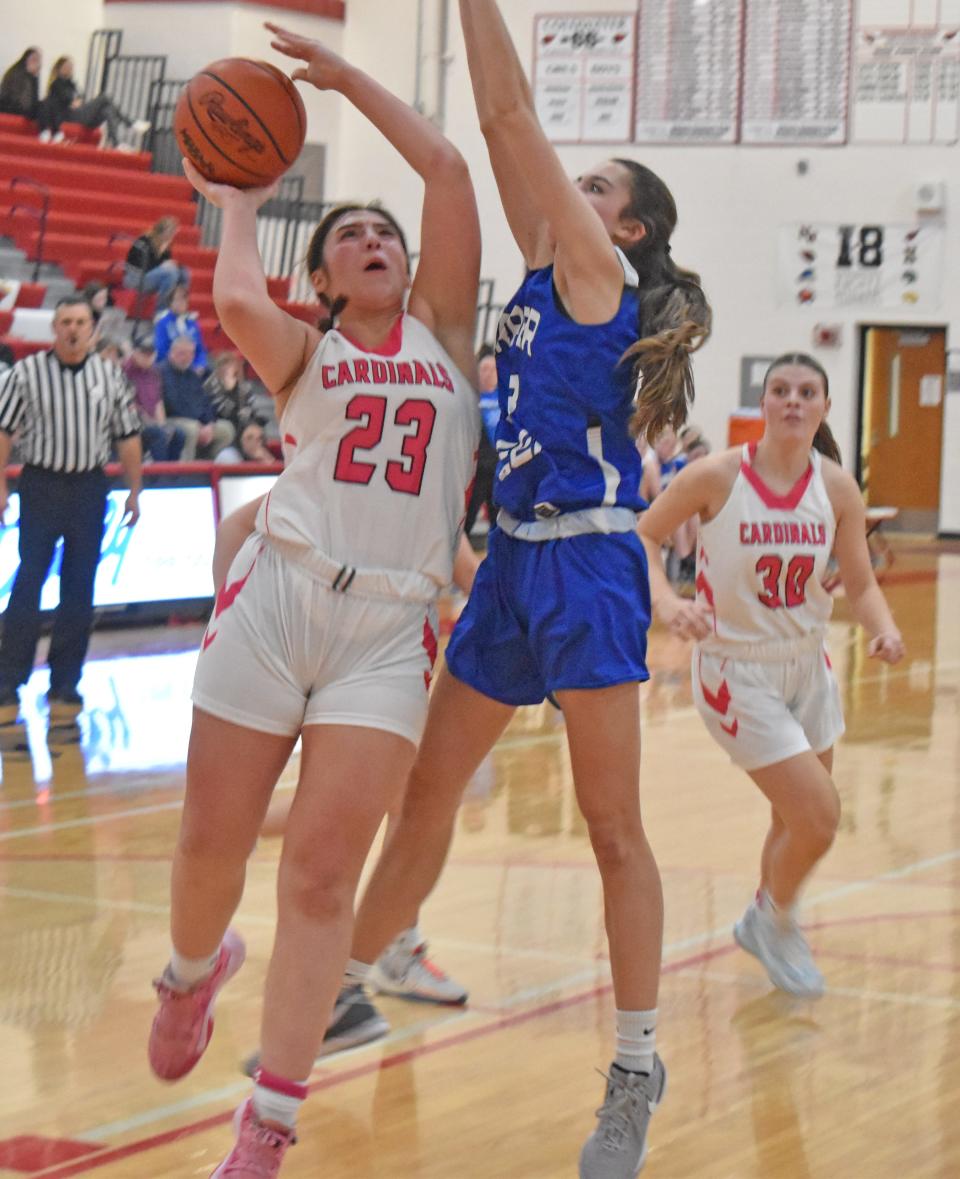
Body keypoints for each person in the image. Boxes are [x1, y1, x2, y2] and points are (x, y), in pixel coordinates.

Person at [320, 4, 712, 1177]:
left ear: (626, 224)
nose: (565, 184)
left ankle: (635, 1065)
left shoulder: (597, 275)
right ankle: (335, 985)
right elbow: (494, 133)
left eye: (593, 182)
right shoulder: (547, 268)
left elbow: (503, 112)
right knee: (427, 792)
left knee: (612, 828)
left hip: (588, 562)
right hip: (511, 560)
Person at [145, 20, 480, 1177]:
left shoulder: (446, 340)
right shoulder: (306, 355)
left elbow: (446, 168)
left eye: (385, 232)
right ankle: (192, 972)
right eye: (352, 235)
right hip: (281, 600)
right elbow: (237, 298)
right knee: (209, 845)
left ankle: (270, 1122)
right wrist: (238, 191)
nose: (378, 238)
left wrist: (343, 79)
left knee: (322, 875)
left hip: (389, 630)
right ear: (325, 279)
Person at [638, 353, 904, 999]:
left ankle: (773, 917)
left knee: (793, 820)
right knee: (819, 815)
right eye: (780, 389)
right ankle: (771, 917)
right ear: (764, 403)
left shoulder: (837, 486)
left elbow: (860, 580)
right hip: (737, 669)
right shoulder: (716, 475)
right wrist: (669, 604)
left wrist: (883, 627)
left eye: (806, 391)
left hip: (808, 663)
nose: (792, 400)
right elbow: (641, 538)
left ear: (824, 407)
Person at [0, 297, 142, 726]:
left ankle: (65, 681)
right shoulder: (25, 374)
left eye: (80, 322)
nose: (73, 329)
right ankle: (8, 678)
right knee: (29, 581)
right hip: (41, 483)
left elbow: (129, 436)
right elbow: (3, 431)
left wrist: (135, 491)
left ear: (92, 329)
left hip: (89, 487)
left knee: (80, 588)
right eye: (65, 322)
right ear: (54, 328)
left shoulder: (110, 375)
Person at [43, 56, 149, 149]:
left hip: (80, 113)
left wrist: (77, 101)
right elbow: (65, 99)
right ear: (59, 68)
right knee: (104, 97)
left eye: (71, 66)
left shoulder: (72, 84)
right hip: (71, 116)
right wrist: (73, 101)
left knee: (108, 110)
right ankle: (129, 122)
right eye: (66, 66)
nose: (69, 69)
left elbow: (79, 98)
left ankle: (116, 143)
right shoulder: (56, 84)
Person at [159, 335, 234, 459]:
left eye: (191, 354)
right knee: (192, 429)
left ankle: (209, 465)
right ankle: (186, 471)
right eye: (182, 354)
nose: (187, 358)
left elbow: (205, 401)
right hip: (171, 419)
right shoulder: (161, 373)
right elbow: (173, 404)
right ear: (172, 353)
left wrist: (209, 423)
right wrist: (199, 424)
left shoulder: (192, 375)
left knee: (227, 429)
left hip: (197, 421)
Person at [122, 336, 185, 462]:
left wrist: (162, 425)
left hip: (151, 422)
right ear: (135, 352)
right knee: (158, 434)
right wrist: (155, 425)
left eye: (151, 353)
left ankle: (174, 474)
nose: (148, 357)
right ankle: (160, 476)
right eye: (144, 353)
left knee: (178, 434)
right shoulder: (124, 371)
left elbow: (158, 402)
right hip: (131, 423)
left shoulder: (154, 373)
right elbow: (129, 405)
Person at [463, 343, 498, 540]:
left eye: (493, 369)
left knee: (499, 522)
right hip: (475, 469)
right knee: (466, 518)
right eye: (484, 369)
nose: (488, 374)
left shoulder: (506, 400)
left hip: (498, 470)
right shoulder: (470, 397)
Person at [124, 217, 189, 310]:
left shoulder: (166, 244)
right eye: (171, 232)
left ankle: (179, 307)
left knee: (184, 272)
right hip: (135, 278)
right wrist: (162, 265)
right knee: (171, 274)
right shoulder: (145, 241)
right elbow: (142, 265)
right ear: (164, 231)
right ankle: (161, 310)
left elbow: (165, 263)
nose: (173, 236)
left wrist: (173, 265)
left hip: (151, 276)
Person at [0, 48, 55, 137]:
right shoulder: (17, 73)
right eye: (34, 59)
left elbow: (33, 99)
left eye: (38, 60)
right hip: (12, 108)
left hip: (23, 107)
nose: (36, 63)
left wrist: (34, 77)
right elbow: (24, 101)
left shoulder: (31, 76)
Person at [154, 284, 209, 372]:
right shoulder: (163, 323)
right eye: (177, 300)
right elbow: (161, 351)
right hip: (171, 367)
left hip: (192, 367)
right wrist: (181, 363)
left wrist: (200, 364)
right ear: (170, 303)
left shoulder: (192, 323)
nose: (181, 303)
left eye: (184, 300)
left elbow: (200, 349)